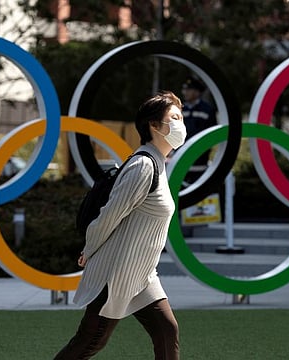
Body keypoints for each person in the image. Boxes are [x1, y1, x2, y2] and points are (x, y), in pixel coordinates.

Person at [53, 91, 185, 360]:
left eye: (181, 118)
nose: (181, 125)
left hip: (142, 273)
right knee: (90, 342)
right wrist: (89, 250)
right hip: (116, 273)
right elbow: (110, 215)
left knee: (166, 330)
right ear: (154, 126)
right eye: (174, 118)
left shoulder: (158, 164)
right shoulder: (143, 166)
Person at [181, 75, 217, 184]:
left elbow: (212, 136)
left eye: (189, 90)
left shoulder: (207, 110)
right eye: (184, 89)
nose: (185, 92)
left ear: (197, 92)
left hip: (199, 165)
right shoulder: (180, 109)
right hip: (180, 163)